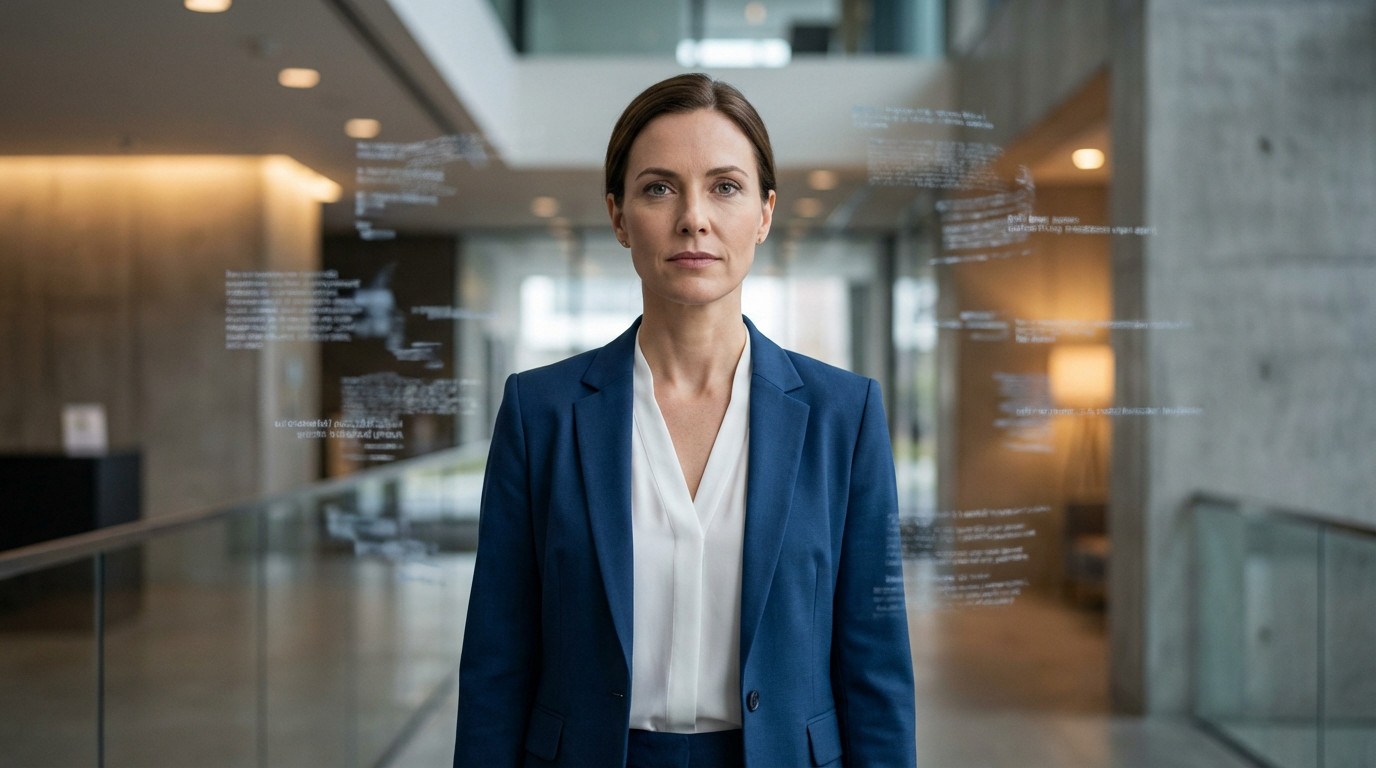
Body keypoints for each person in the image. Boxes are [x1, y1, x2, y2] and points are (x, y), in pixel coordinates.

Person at [454, 73, 916, 768]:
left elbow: (875, 666)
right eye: (659, 189)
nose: (693, 218)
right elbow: (498, 659)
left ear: (764, 214)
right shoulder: (539, 412)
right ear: (618, 217)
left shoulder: (843, 417)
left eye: (725, 187)